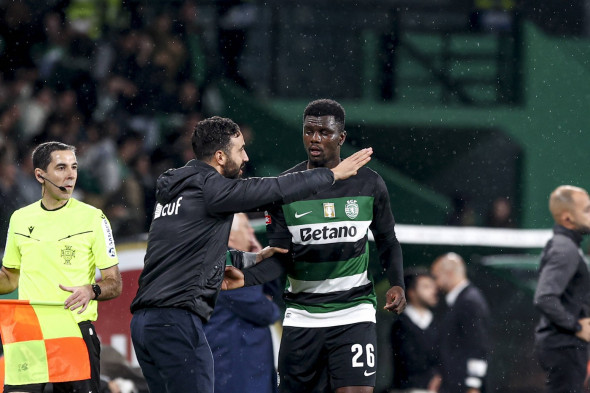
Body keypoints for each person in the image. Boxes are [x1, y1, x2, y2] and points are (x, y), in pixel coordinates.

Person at [129, 116, 373, 393]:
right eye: (240, 149)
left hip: (145, 324)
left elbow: (188, 256)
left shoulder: (175, 193)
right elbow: (273, 189)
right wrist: (331, 175)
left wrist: (251, 259)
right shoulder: (209, 188)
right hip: (175, 322)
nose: (246, 157)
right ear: (220, 156)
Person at [230, 99, 405, 393]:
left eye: (324, 132)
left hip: (354, 313)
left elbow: (387, 239)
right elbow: (280, 256)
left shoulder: (370, 184)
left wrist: (398, 283)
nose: (314, 138)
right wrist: (246, 277)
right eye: (308, 131)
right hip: (302, 316)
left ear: (342, 138)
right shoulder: (285, 188)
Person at [0, 141, 123, 393]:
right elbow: (10, 279)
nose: (71, 175)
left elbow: (114, 282)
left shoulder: (93, 218)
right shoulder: (20, 219)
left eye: (74, 167)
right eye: (61, 167)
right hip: (29, 333)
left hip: (73, 332)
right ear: (40, 175)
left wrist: (91, 291)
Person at [205, 213, 281, 393]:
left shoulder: (240, 262)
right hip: (235, 371)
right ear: (230, 235)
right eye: (246, 227)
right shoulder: (224, 265)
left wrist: (260, 258)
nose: (252, 230)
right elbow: (266, 311)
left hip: (246, 369)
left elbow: (273, 293)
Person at [534, 185, 590, 393]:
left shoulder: (567, 246)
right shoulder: (565, 249)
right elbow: (544, 297)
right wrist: (575, 326)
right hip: (564, 345)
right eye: (587, 210)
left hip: (565, 345)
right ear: (568, 219)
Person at [430, 253, 490, 393]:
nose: (435, 283)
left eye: (436, 276)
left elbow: (478, 345)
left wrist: (473, 385)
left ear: (449, 273)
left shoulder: (469, 301)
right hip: (455, 383)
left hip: (463, 386)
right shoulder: (462, 300)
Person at [390, 268, 440, 393]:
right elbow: (410, 361)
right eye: (426, 287)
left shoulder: (437, 322)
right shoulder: (401, 324)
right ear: (411, 292)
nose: (433, 291)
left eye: (433, 286)